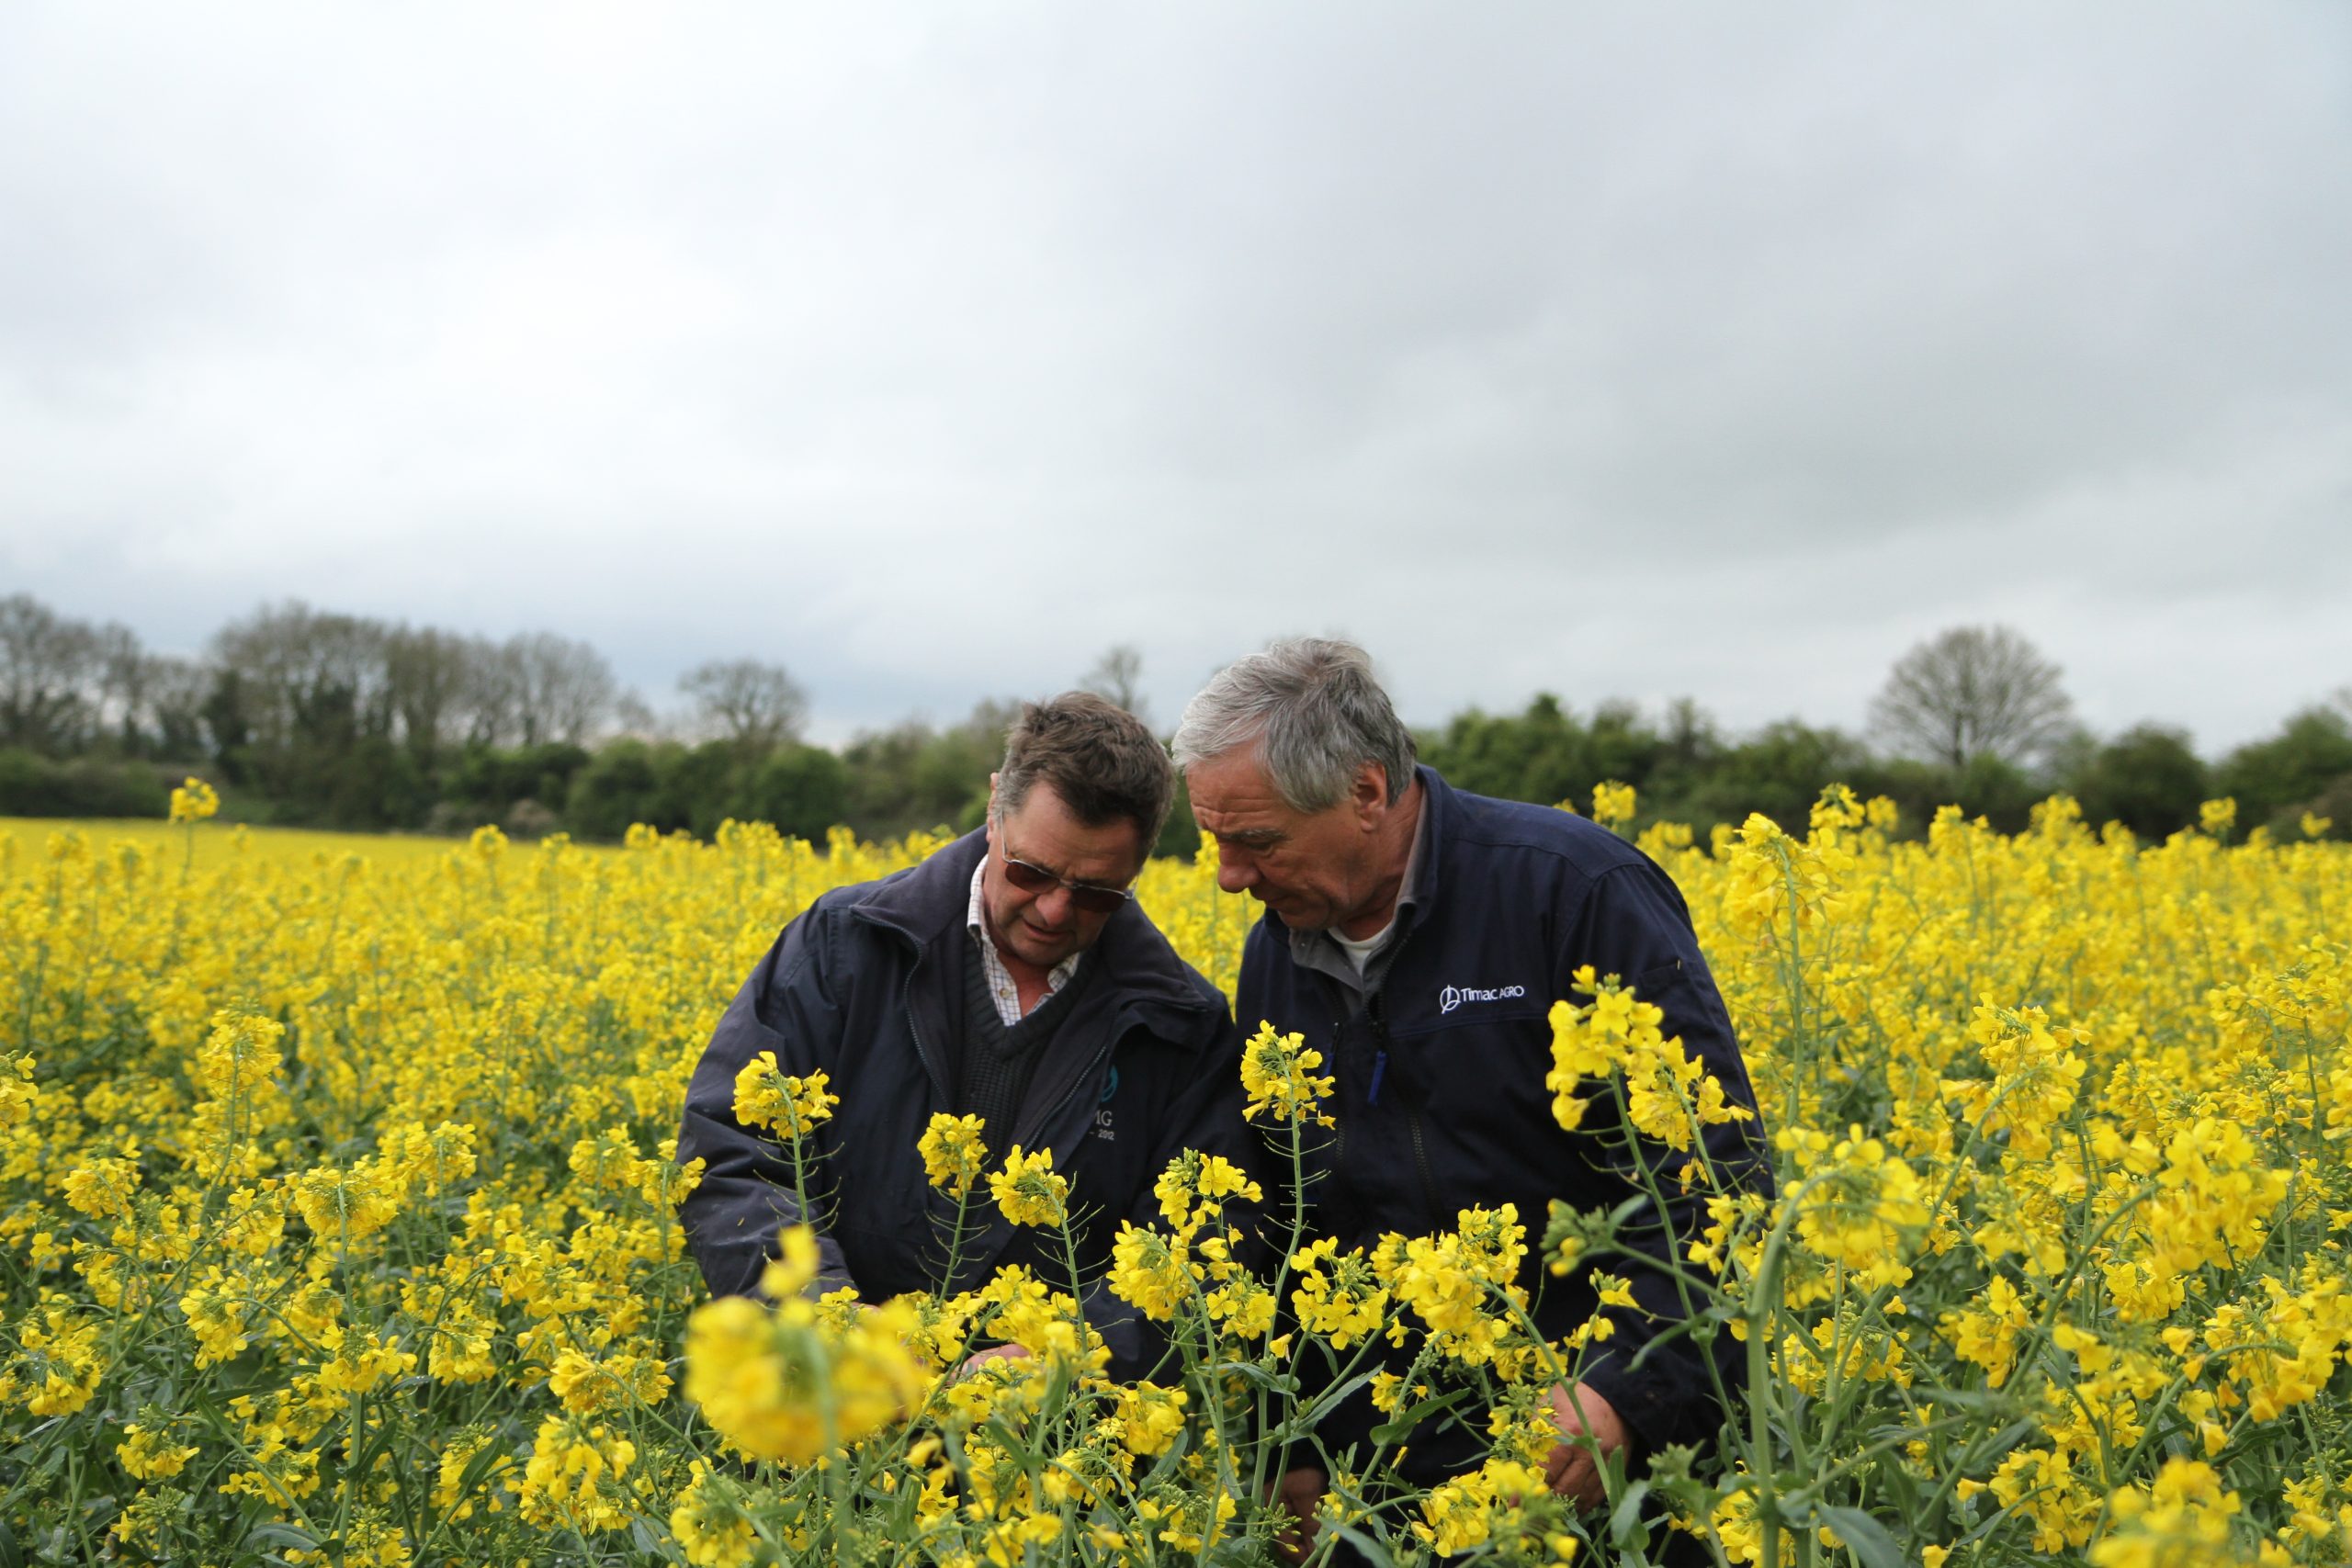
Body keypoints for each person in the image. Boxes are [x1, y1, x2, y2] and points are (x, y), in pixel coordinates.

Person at [1172, 639, 1772, 1550]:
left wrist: (1625, 1393)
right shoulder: (1276, 951)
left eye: (1256, 840)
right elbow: (1289, 1216)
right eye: (1216, 842)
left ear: (1366, 793)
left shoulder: (1569, 890)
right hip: (1392, 1467)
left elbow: (1713, 1179)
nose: (1228, 877)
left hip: (1606, 1463)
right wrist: (1286, 1450)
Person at [677, 693, 1250, 1381]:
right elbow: (731, 1147)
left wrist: (1070, 1359)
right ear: (992, 808)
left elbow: (1208, 1251)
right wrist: (821, 1316)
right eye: (1031, 871)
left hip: (1051, 1455)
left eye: (1098, 892)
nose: (1053, 909)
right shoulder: (844, 946)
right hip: (827, 1416)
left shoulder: (1181, 1024)